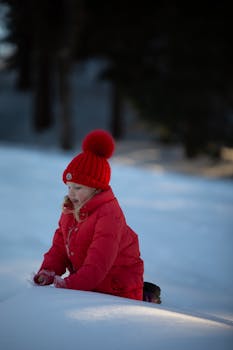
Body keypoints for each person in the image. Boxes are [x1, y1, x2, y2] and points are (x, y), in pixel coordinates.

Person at [34, 129, 144, 300]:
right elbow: (60, 248)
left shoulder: (109, 216)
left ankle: (147, 297)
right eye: (69, 186)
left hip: (117, 292)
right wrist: (48, 270)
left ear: (96, 188)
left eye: (78, 188)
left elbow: (98, 264)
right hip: (89, 286)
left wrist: (70, 284)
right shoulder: (70, 210)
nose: (71, 193)